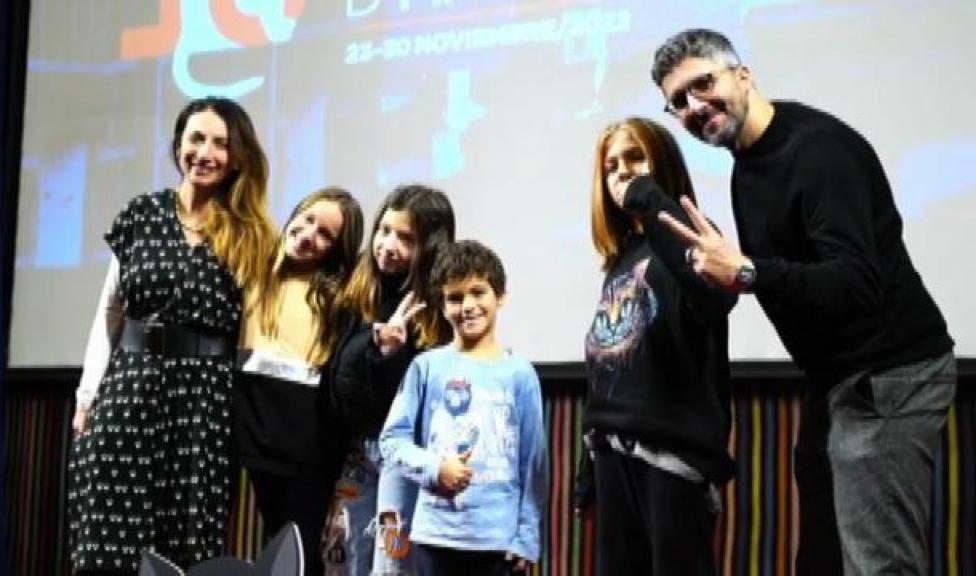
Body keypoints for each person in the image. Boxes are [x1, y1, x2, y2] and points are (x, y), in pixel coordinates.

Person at [651, 29, 956, 575]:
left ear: (743, 76)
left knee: (878, 565)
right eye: (679, 101)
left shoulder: (818, 152)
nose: (695, 106)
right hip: (834, 378)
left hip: (890, 373)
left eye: (704, 84)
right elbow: (789, 278)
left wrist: (747, 270)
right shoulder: (748, 162)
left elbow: (857, 282)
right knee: (820, 558)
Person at [68, 96, 276, 574]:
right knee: (108, 535)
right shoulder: (141, 214)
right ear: (178, 144)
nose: (205, 152)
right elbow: (110, 312)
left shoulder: (251, 234)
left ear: (238, 156)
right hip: (129, 387)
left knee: (185, 543)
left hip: (204, 402)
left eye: (220, 143)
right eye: (195, 138)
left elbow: (255, 333)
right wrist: (87, 396)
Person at [579, 117, 736, 575]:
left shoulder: (694, 238)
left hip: (671, 460)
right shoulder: (621, 260)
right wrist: (589, 465)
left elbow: (715, 297)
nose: (622, 173)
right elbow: (607, 364)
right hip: (613, 455)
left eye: (635, 158)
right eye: (611, 166)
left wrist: (649, 198)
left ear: (662, 163)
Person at [378, 240, 547, 576]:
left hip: (498, 542)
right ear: (442, 306)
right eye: (455, 298)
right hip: (435, 537)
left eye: (478, 292)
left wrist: (526, 538)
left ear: (500, 296)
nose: (467, 306)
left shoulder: (520, 373)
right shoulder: (426, 367)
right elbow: (391, 441)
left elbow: (534, 464)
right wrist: (434, 467)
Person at [233, 186, 364, 575]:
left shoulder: (339, 298)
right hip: (250, 437)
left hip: (307, 449)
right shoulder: (253, 271)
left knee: (298, 555)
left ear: (337, 250)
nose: (308, 235)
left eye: (325, 234)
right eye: (307, 220)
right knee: (267, 549)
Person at [326, 184, 456, 575]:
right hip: (357, 450)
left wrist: (391, 355)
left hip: (403, 453)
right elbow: (341, 380)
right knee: (345, 557)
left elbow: (411, 401)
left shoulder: (435, 309)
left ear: (430, 247)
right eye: (384, 231)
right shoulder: (359, 290)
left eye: (405, 238)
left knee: (392, 563)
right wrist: (377, 347)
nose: (388, 246)